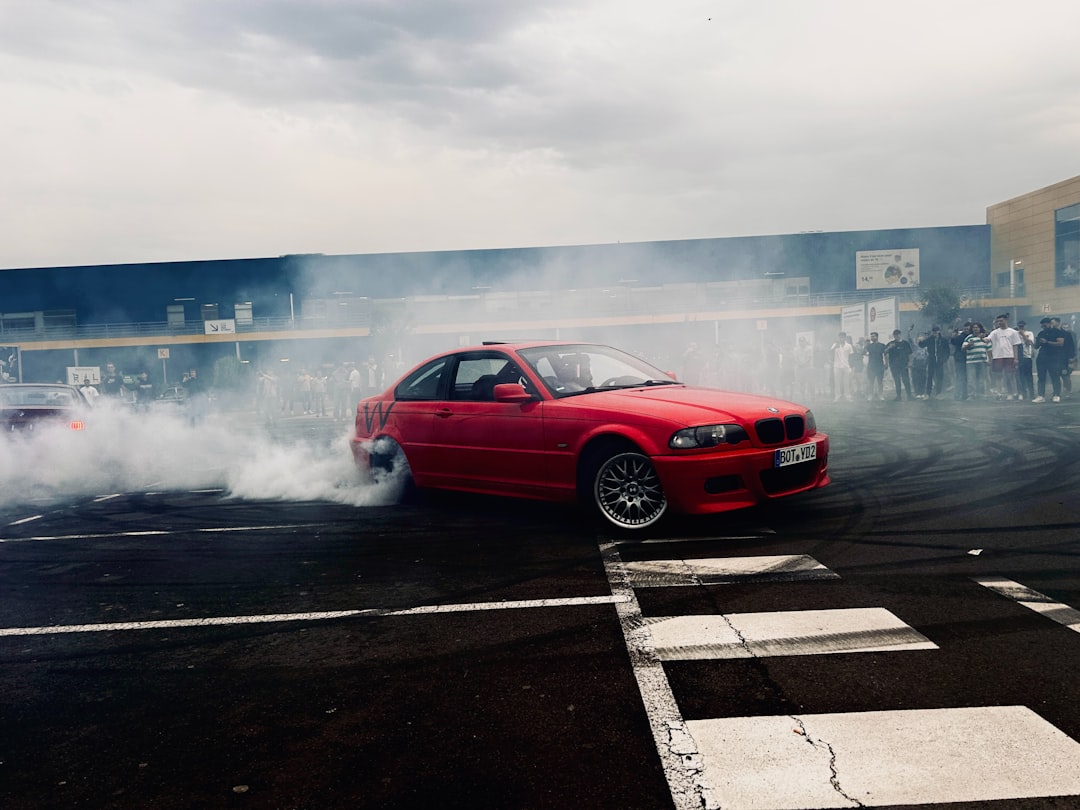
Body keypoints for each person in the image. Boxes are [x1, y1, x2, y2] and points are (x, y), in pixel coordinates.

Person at [986, 314, 1022, 400]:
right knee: (998, 375)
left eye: (1001, 321)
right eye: (998, 321)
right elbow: (988, 339)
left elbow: (1015, 346)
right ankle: (999, 393)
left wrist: (1016, 358)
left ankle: (1013, 392)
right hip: (997, 356)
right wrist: (983, 338)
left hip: (1009, 356)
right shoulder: (995, 332)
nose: (1000, 323)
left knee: (1010, 375)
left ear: (1006, 320)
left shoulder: (1013, 332)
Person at [1033, 317, 1066, 403]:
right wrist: (1037, 341)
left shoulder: (1057, 332)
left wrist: (1047, 342)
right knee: (1041, 377)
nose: (1043, 327)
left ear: (1050, 324)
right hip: (1042, 357)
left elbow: (1060, 343)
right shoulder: (1041, 333)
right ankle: (1041, 395)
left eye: (1045, 325)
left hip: (1053, 357)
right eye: (1042, 326)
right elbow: (1036, 346)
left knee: (1055, 376)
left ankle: (1056, 395)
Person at [917, 326, 950, 400]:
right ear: (932, 332)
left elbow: (947, 350)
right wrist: (920, 340)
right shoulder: (929, 339)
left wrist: (944, 359)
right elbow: (922, 345)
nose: (935, 333)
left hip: (940, 360)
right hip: (931, 360)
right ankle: (928, 393)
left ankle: (938, 393)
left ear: (939, 331)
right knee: (930, 376)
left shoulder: (943, 340)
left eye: (936, 331)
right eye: (934, 332)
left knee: (939, 377)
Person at [962, 322, 992, 398]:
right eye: (974, 327)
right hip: (971, 361)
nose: (975, 329)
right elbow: (963, 348)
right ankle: (971, 394)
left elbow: (989, 349)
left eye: (977, 327)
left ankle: (980, 394)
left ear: (980, 328)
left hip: (982, 361)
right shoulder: (968, 338)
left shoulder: (984, 338)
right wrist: (968, 345)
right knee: (971, 379)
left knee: (981, 378)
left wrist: (990, 360)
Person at [883, 329, 913, 401]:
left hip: (904, 364)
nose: (896, 336)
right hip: (894, 365)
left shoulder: (905, 343)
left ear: (900, 335)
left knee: (906, 380)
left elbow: (910, 353)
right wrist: (889, 347)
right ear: (894, 336)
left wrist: (910, 362)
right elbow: (885, 352)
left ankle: (909, 396)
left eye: (898, 334)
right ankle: (898, 396)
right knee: (897, 381)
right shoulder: (891, 343)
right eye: (895, 335)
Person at [950, 322, 972, 401]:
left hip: (971, 359)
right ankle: (959, 394)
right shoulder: (960, 337)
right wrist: (953, 335)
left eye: (968, 328)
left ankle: (967, 394)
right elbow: (953, 341)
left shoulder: (973, 336)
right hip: (960, 359)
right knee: (960, 377)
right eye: (965, 328)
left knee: (969, 378)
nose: (966, 330)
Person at [1055, 319, 1076, 398]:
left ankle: (1068, 390)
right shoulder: (1058, 334)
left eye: (1067, 327)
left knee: (1066, 375)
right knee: (1058, 375)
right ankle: (1060, 391)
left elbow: (1072, 346)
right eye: (1064, 327)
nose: (1065, 329)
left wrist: (1072, 357)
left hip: (1067, 358)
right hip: (1059, 358)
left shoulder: (1070, 335)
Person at [830, 332, 853, 401]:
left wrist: (850, 366)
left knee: (846, 382)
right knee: (837, 382)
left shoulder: (849, 345)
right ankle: (837, 396)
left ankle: (848, 396)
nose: (841, 338)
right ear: (838, 337)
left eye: (843, 337)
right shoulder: (835, 345)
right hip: (837, 366)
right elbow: (830, 353)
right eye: (840, 337)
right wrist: (835, 347)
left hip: (846, 365)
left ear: (845, 337)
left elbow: (851, 356)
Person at [1015, 320, 1035, 401]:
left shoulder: (1029, 333)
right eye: (1020, 326)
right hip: (1019, 357)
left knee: (1029, 376)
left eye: (1022, 326)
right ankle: (1023, 393)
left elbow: (1029, 343)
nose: (1021, 327)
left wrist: (1023, 334)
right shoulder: (1015, 334)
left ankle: (1032, 393)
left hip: (1027, 357)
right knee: (1020, 377)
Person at [864, 332, 886, 400]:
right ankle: (870, 395)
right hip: (871, 366)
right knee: (871, 381)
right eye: (871, 336)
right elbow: (864, 353)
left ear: (877, 337)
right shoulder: (869, 346)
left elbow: (886, 354)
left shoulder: (882, 345)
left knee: (880, 381)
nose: (872, 338)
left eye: (873, 336)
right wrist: (866, 344)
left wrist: (886, 364)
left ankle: (881, 395)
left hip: (880, 365)